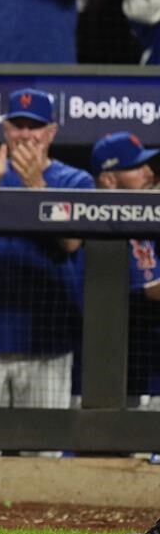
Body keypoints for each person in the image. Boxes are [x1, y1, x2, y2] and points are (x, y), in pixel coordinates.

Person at [0, 89, 93, 439]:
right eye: (18, 126)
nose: (26, 135)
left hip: (49, 340)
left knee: (44, 455)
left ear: (51, 132)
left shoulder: (75, 181)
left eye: (35, 127)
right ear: (5, 129)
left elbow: (72, 241)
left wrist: (35, 185)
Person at [90, 132, 160, 402]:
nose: (148, 173)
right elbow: (152, 291)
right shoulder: (108, 224)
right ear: (109, 179)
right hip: (111, 368)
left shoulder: (140, 220)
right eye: (136, 168)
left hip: (138, 363)